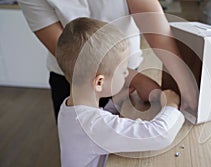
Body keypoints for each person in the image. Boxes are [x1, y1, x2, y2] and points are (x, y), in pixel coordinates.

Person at [17, 0, 199, 120]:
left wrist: (183, 76)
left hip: (124, 72)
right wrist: (135, 79)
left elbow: (146, 11)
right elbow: (69, 52)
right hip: (73, 80)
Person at [56, 17, 185, 167]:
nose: (126, 75)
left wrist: (114, 104)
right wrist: (171, 104)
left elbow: (96, 121)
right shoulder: (93, 126)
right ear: (99, 82)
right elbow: (159, 135)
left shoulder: (69, 107)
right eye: (124, 70)